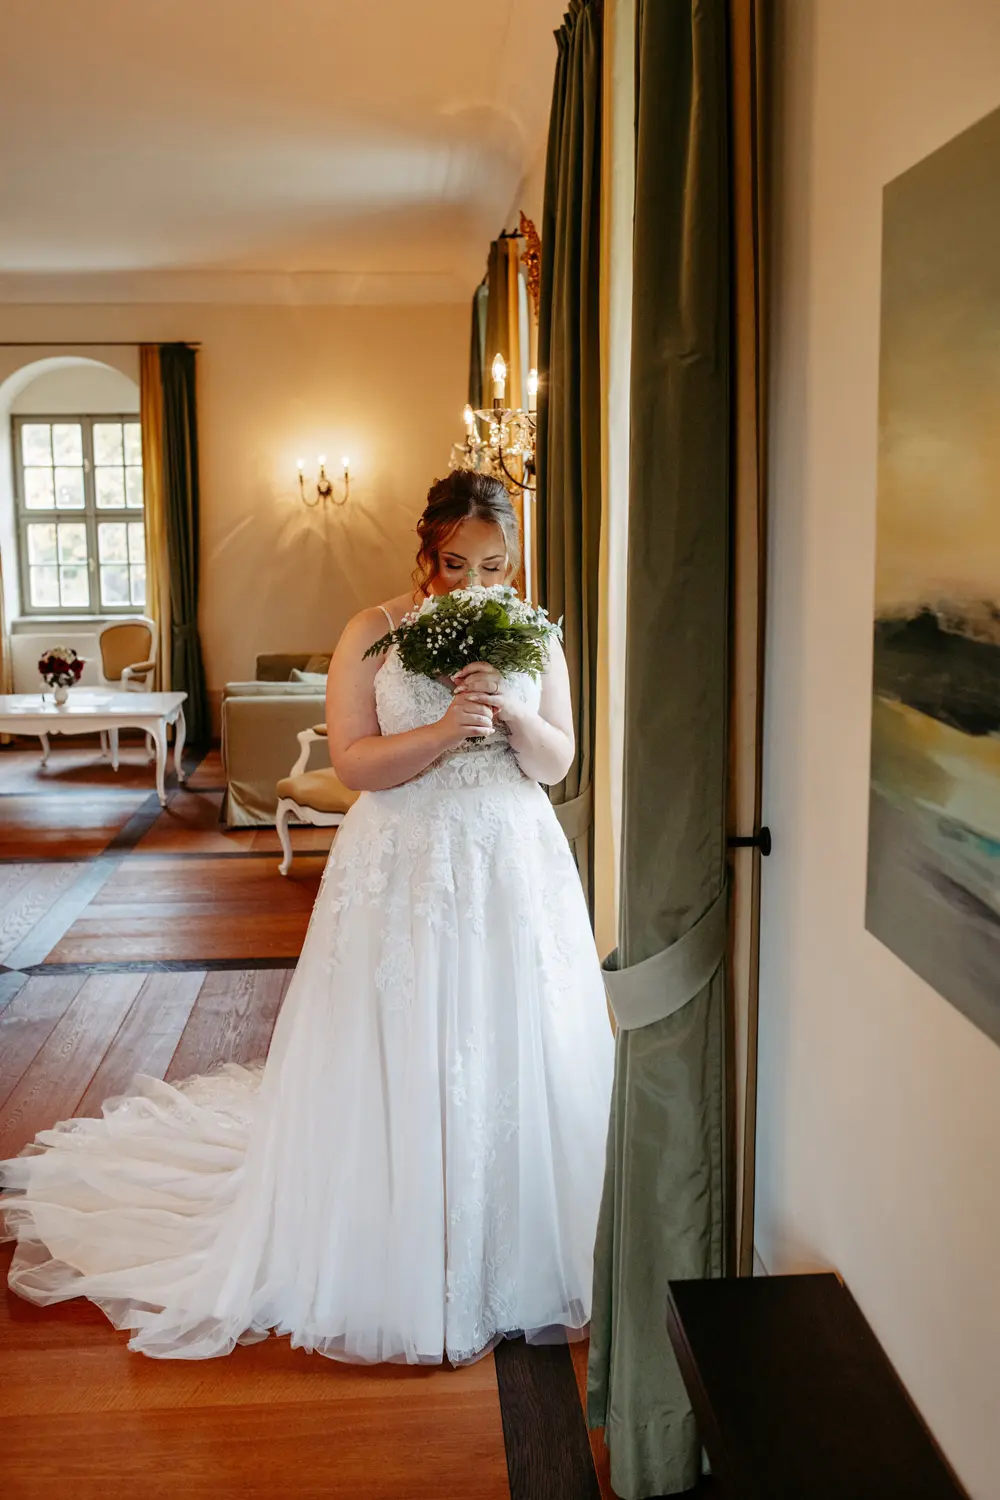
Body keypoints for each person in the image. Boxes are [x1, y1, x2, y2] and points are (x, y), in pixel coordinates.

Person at [0, 469, 615, 1366]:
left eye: (494, 565)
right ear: (428, 551)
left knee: (510, 1037)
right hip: (403, 864)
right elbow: (358, 763)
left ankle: (511, 1237)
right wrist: (447, 726)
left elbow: (557, 762)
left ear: (512, 560)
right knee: (402, 1042)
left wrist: (511, 710)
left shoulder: (534, 635)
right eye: (455, 563)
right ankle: (396, 1232)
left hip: (510, 867)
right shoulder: (373, 631)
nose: (474, 584)